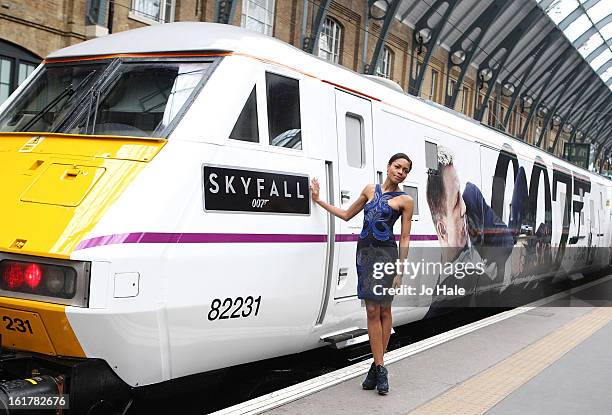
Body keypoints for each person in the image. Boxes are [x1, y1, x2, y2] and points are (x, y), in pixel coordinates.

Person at [310, 153, 414, 396]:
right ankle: (377, 367)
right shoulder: (370, 189)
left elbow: (405, 236)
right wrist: (318, 200)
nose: (400, 172)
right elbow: (347, 214)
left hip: (387, 255)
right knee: (371, 310)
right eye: (397, 167)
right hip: (365, 255)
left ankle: (379, 368)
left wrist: (400, 269)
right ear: (388, 167)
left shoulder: (405, 200)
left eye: (405, 170)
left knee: (384, 310)